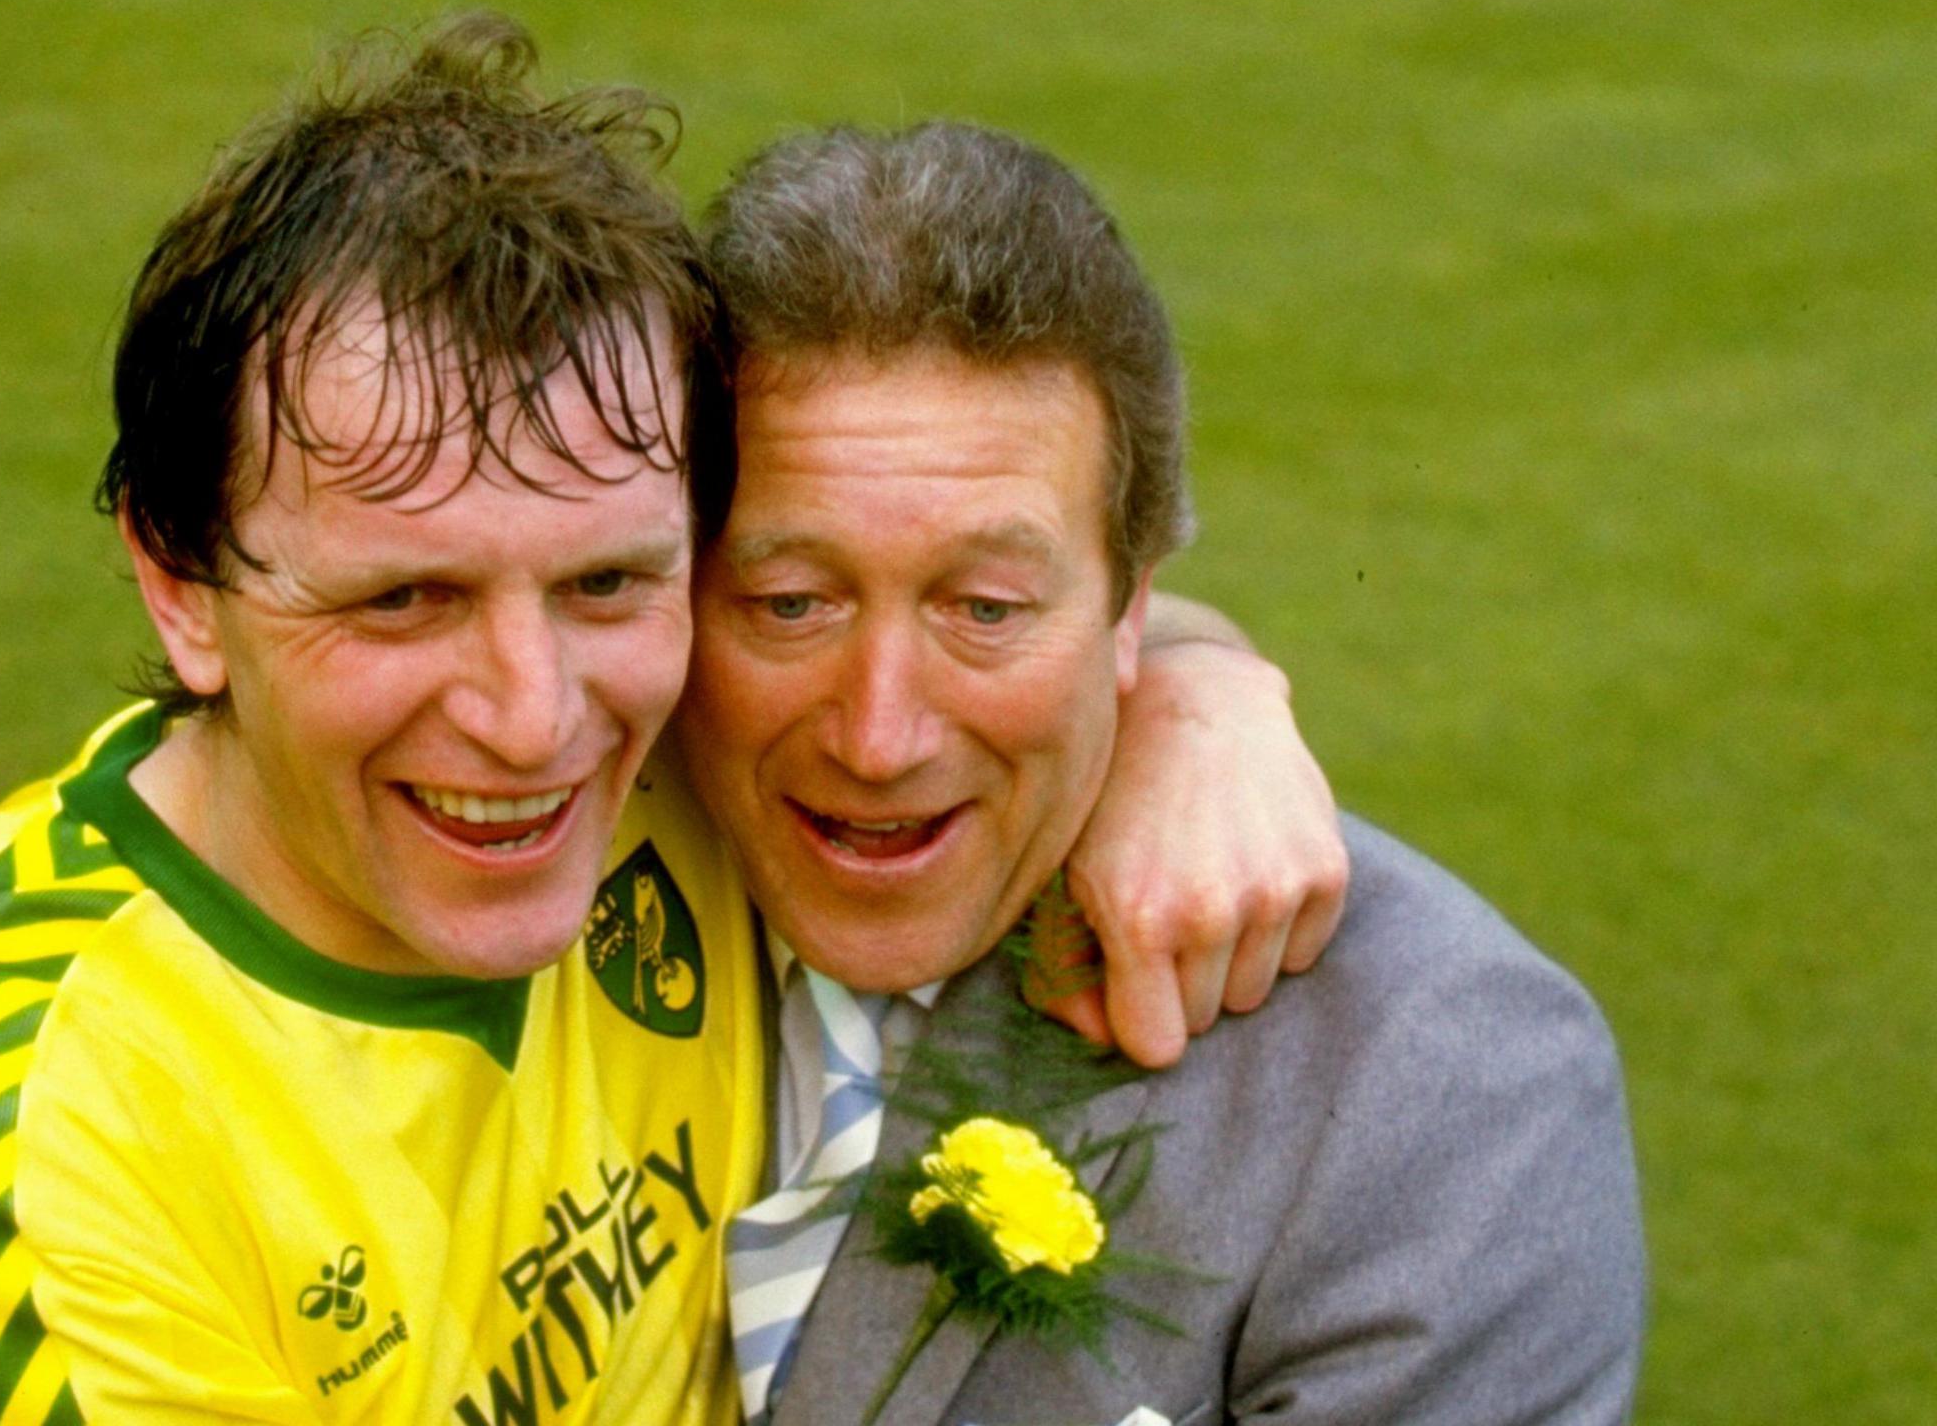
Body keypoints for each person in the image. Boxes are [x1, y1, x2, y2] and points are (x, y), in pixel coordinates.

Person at [0, 19, 1345, 1426]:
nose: (535, 726)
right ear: (183, 586)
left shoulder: (681, 754)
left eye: (604, 582)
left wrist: (1202, 693)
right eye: (404, 601)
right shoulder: (13, 1156)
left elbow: (960, 625)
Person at [688, 121, 1646, 1425]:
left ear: (1132, 605)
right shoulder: (542, 867)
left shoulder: (1442, 1092)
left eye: (985, 610)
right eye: (791, 601)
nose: (879, 735)